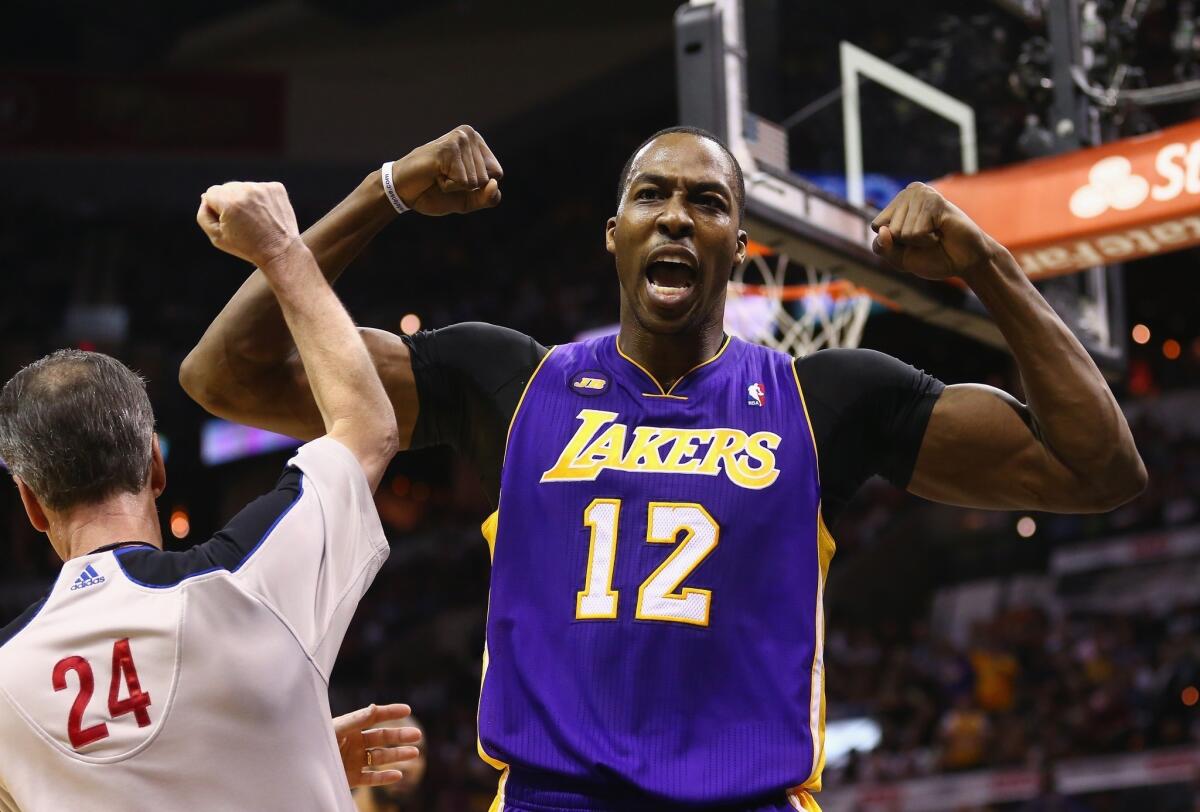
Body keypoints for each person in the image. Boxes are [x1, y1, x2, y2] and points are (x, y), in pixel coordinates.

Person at [179, 126, 1146, 811]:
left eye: (707, 203)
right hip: (556, 801)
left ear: (739, 247)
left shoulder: (826, 399)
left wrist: (986, 261)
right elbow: (226, 375)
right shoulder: (508, 385)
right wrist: (384, 190)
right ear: (615, 236)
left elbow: (1096, 469)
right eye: (653, 195)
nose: (678, 218)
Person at [0, 181, 407, 810]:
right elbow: (368, 428)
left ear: (29, 503)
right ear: (155, 469)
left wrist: (284, 742)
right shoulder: (250, 579)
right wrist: (280, 250)